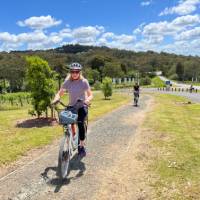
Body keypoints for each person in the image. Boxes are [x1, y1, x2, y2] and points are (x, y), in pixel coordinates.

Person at [52, 62, 93, 157]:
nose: (74, 73)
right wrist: (56, 99)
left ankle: (81, 146)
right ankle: (71, 135)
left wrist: (87, 100)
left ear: (80, 72)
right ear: (70, 72)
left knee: (80, 123)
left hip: (81, 105)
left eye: (77, 71)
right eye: (72, 71)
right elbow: (60, 93)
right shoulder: (67, 82)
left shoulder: (84, 82)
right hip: (71, 106)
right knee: (66, 121)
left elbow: (90, 94)